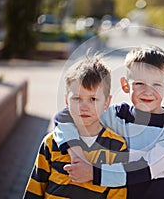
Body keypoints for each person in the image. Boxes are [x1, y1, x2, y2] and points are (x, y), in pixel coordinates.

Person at [54, 45, 164, 199]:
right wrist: (76, 154)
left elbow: (148, 167)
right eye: (139, 83)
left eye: (157, 84)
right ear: (126, 85)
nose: (147, 91)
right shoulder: (117, 116)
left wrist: (94, 173)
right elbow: (65, 117)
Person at [23, 55, 128, 199]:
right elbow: (35, 189)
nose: (84, 107)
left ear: (106, 102)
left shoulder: (116, 146)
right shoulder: (51, 142)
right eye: (77, 98)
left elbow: (118, 194)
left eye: (93, 99)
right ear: (67, 100)